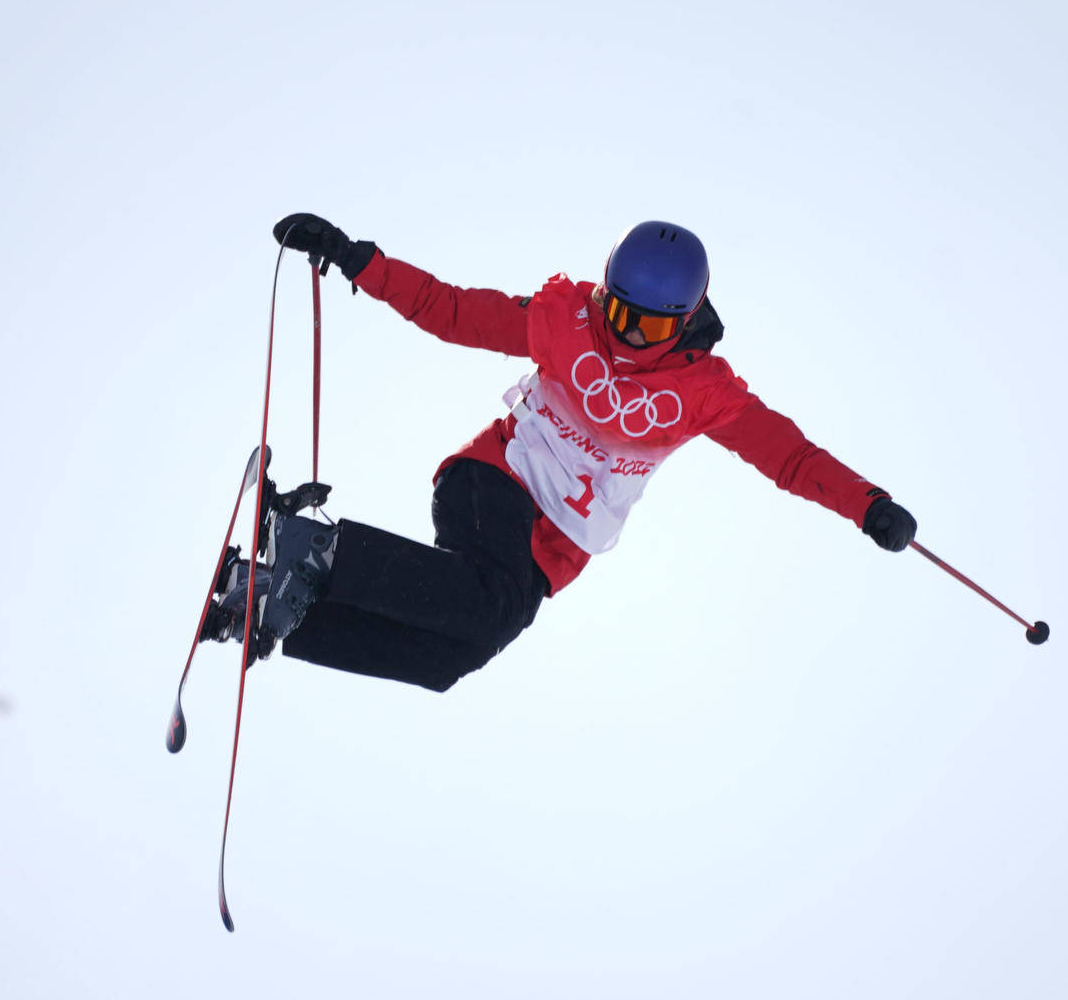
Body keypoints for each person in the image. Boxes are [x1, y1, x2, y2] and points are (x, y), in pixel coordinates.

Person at [198, 214, 917, 692]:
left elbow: (791, 457)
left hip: (553, 546)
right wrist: (360, 261)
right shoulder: (564, 321)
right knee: (485, 606)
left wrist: (869, 507)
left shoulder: (707, 393)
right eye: (618, 313)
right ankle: (317, 553)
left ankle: (275, 606)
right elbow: (452, 311)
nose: (626, 337)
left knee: (456, 655)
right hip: (496, 483)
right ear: (603, 292)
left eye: (646, 326)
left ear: (688, 319)